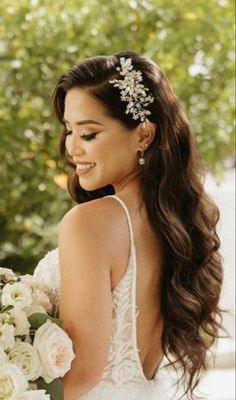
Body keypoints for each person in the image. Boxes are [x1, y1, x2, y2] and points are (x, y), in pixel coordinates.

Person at [34, 51, 224, 400]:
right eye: (69, 130)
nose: (72, 147)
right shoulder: (173, 225)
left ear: (144, 135)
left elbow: (81, 375)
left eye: (89, 134)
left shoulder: (89, 223)